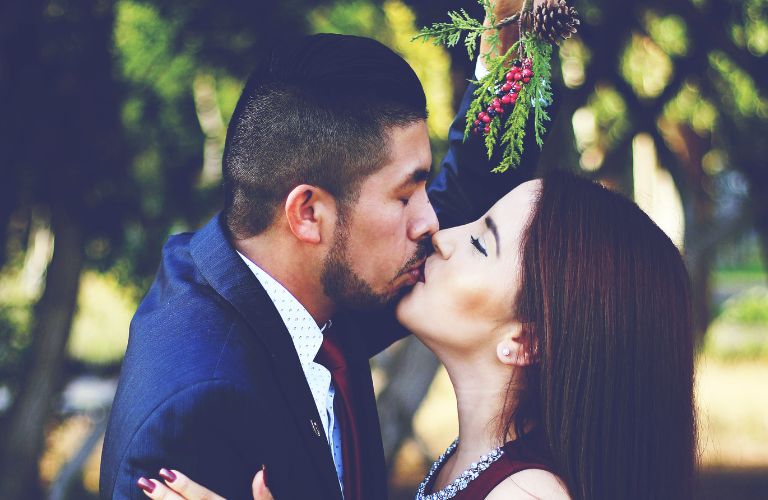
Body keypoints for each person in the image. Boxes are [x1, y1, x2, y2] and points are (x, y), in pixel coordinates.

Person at [100, 9, 542, 500]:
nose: (431, 221)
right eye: (404, 196)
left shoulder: (307, 281)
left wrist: (507, 44)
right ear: (308, 213)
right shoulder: (197, 412)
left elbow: (467, 192)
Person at [143, 172, 697, 500]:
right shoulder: (471, 461)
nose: (444, 235)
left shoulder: (525, 496)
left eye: (482, 243)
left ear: (526, 340)